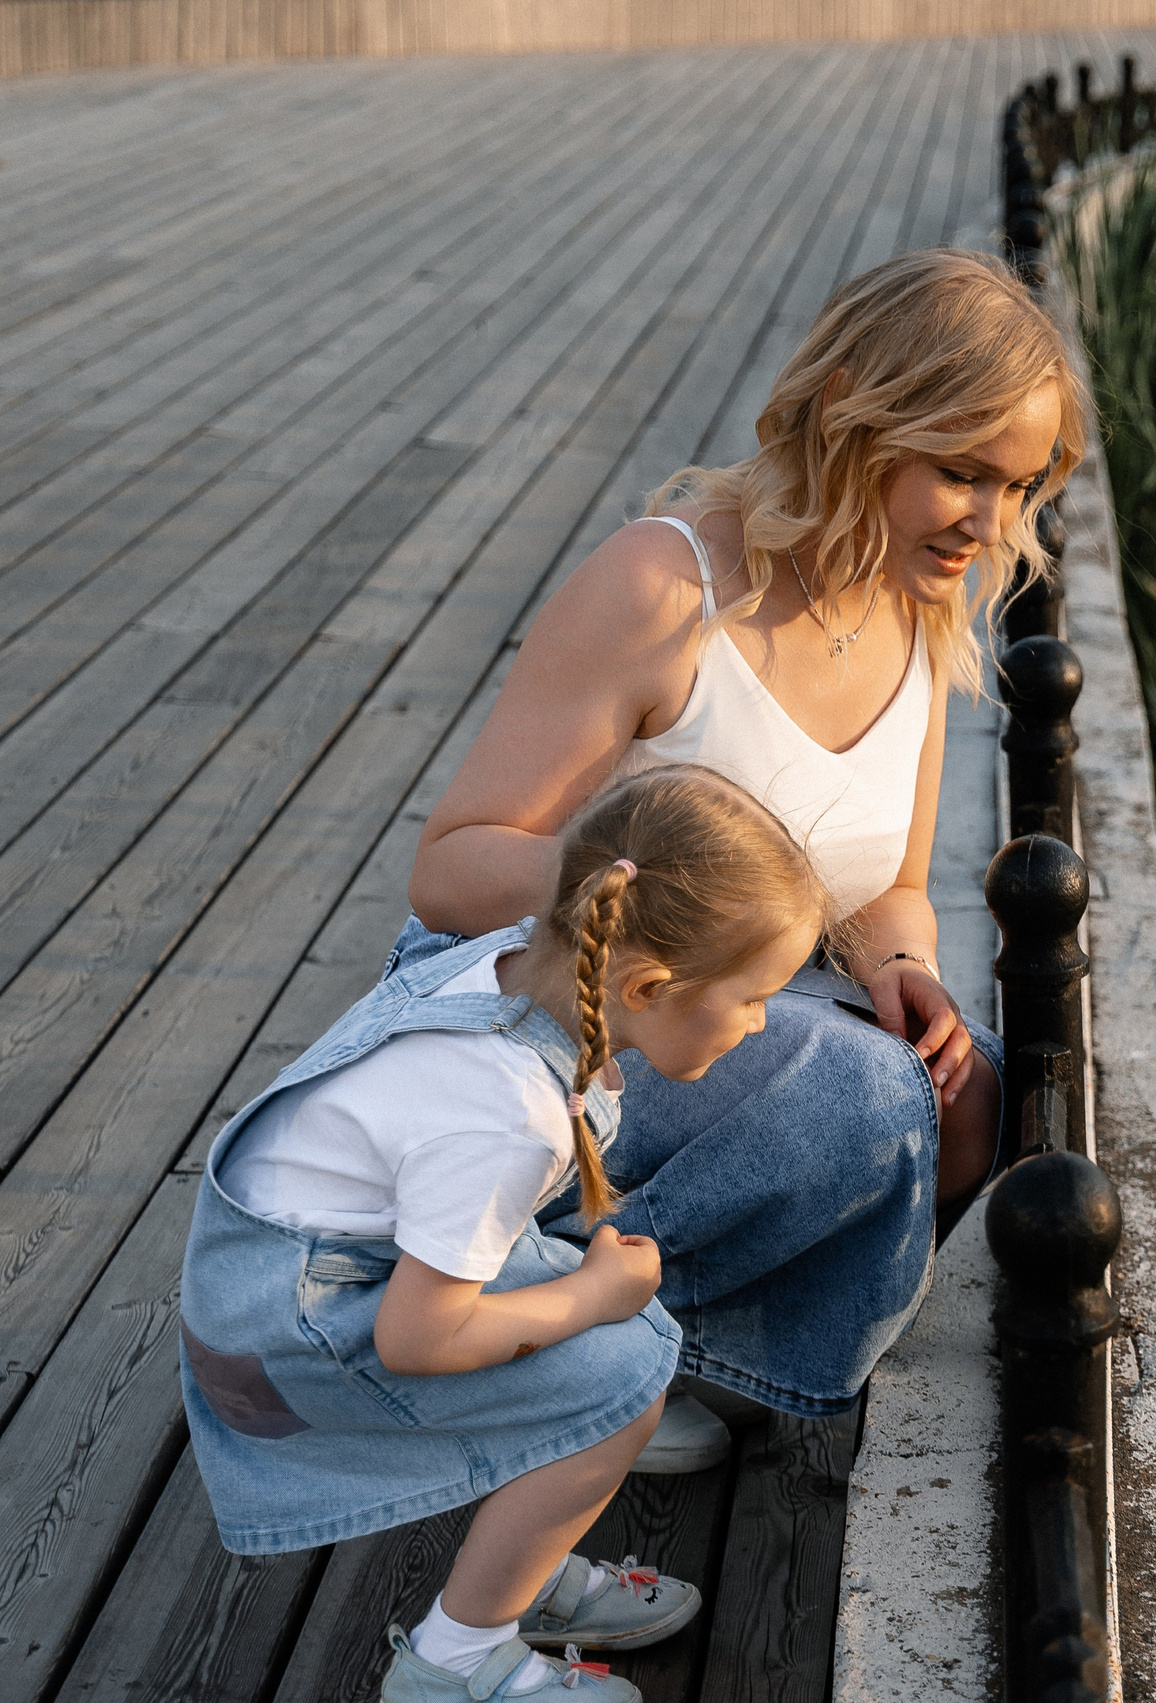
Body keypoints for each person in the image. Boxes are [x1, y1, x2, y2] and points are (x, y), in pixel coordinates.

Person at [399, 247, 1086, 1467]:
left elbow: (887, 887)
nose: (988, 525)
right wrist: (670, 900)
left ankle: (674, 1337)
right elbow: (451, 871)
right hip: (556, 1014)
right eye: (959, 474)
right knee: (862, 1098)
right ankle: (529, 1330)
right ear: (848, 421)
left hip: (734, 1006)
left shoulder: (918, 615)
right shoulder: (666, 588)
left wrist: (904, 965)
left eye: (1018, 486)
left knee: (963, 1091)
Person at [181, 766, 829, 1701]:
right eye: (755, 995)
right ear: (646, 984)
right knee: (626, 1365)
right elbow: (418, 1339)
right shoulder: (506, 1110)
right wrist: (588, 1297)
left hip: (281, 1280)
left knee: (599, 1328)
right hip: (287, 1336)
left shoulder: (516, 959)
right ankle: (454, 1663)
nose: (763, 1021)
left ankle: (518, 1565)